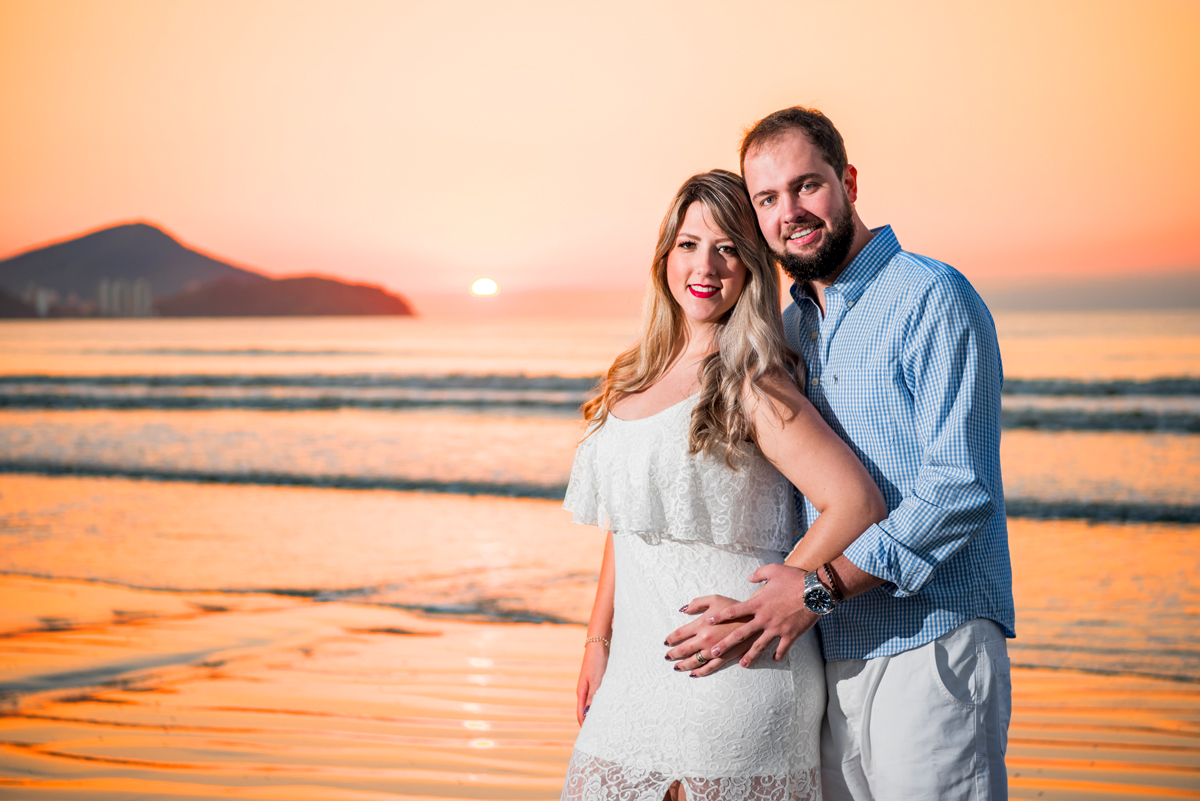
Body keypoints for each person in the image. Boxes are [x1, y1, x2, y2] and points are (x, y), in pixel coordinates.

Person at [670, 107, 1015, 800]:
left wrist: (816, 586)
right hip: (828, 653)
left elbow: (960, 488)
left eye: (807, 186)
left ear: (848, 182)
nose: (790, 213)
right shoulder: (790, 328)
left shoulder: (930, 296)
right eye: (768, 198)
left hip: (931, 640)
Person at [560, 169, 887, 801]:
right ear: (666, 254)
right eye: (688, 244)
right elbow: (629, 523)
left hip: (735, 668)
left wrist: (778, 600)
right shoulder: (633, 375)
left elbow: (856, 502)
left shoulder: (750, 381)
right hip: (633, 672)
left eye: (728, 248)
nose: (704, 267)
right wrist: (598, 641)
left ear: (753, 268)